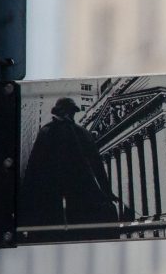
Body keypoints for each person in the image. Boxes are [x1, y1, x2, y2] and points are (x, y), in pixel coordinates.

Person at [19, 97, 120, 227]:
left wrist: (107, 191)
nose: (70, 115)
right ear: (59, 111)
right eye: (68, 111)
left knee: (90, 218)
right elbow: (34, 166)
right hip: (53, 189)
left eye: (72, 112)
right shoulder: (47, 131)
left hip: (77, 188)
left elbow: (97, 164)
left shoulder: (81, 133)